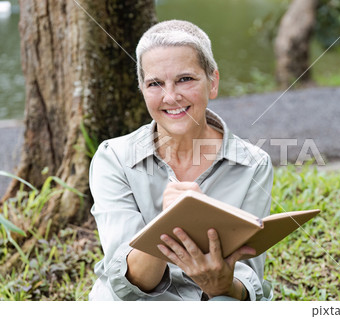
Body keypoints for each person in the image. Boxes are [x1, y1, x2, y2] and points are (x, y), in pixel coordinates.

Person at [88, 20, 273, 301]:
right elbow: (126, 283)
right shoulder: (113, 158)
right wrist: (169, 222)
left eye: (185, 79)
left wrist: (221, 284)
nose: (171, 96)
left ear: (213, 82)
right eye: (155, 83)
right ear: (142, 88)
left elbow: (247, 282)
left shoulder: (253, 164)